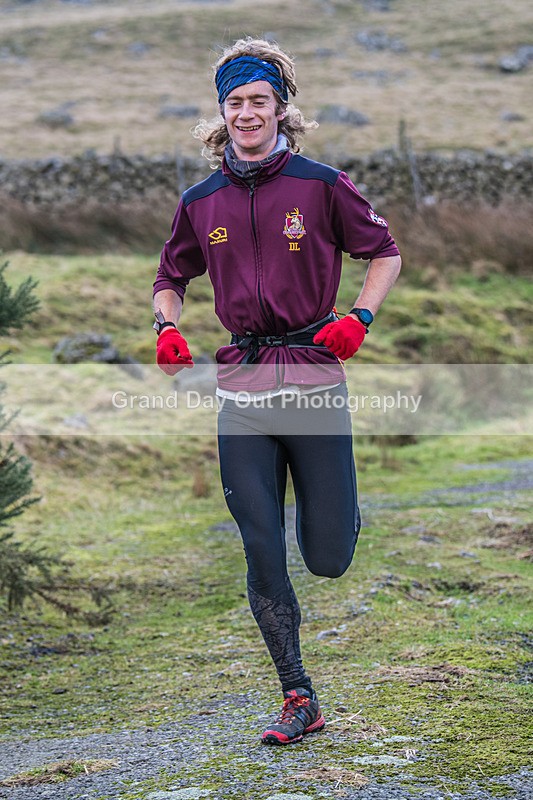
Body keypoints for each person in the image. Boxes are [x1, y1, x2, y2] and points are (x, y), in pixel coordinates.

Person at [152, 37, 401, 745]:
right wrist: (165, 328)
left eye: (258, 100)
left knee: (325, 557)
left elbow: (382, 253)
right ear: (221, 113)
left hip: (314, 378)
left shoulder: (321, 185)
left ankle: (341, 513)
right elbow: (169, 278)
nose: (245, 112)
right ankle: (298, 695)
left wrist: (358, 317)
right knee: (260, 545)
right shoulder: (201, 201)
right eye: (234, 102)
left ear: (280, 108)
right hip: (243, 389)